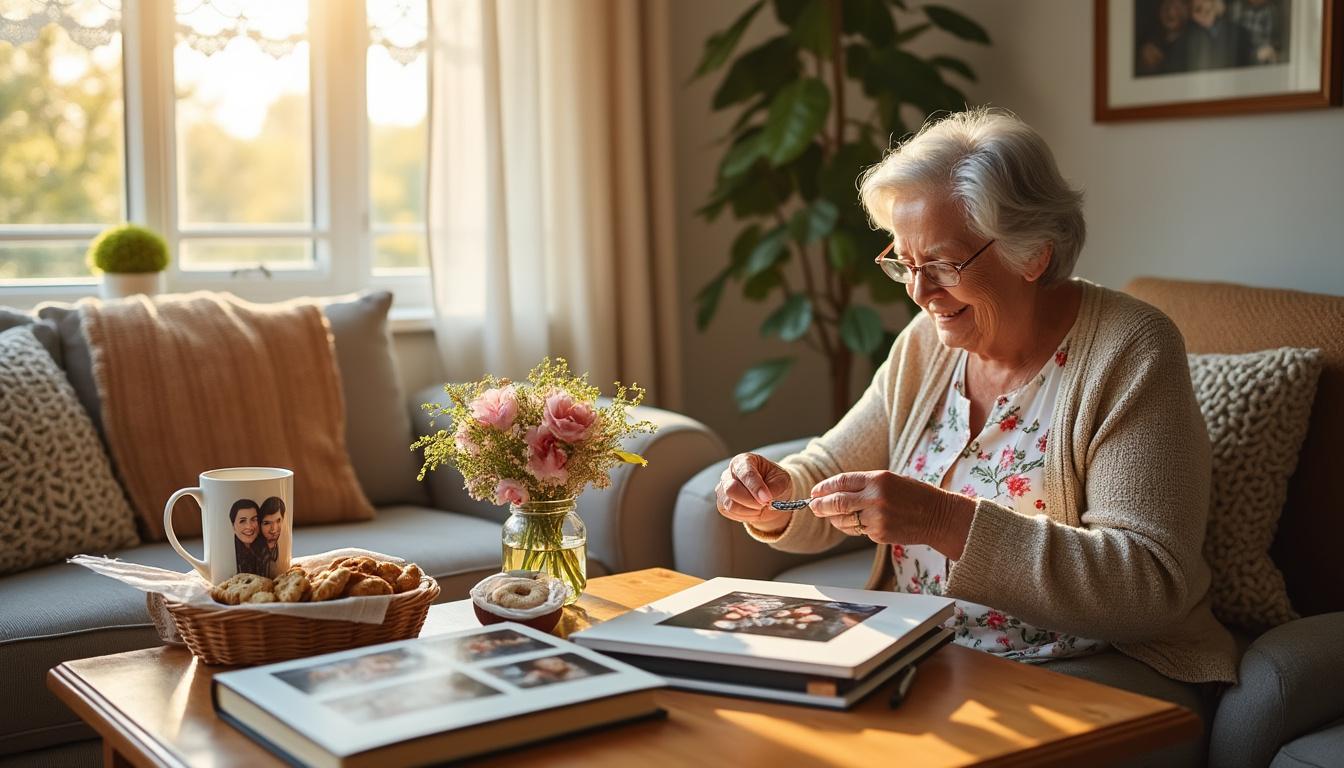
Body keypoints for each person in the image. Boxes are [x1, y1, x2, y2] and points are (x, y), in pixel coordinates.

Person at [715, 109, 1237, 695]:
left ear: (1032, 254)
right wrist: (776, 494)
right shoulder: (926, 345)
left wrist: (942, 521)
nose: (919, 292)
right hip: (922, 650)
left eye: (942, 264)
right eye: (905, 263)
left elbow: (1146, 585)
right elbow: (829, 470)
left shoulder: (1131, 348)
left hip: (1086, 664)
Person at [1187, 0, 1254, 70]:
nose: (1203, 13)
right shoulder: (1188, 37)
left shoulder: (1240, 33)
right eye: (1197, 9)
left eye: (1207, 1)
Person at [1137, 0, 1192, 76]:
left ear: (1186, 11)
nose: (1171, 13)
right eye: (1166, 8)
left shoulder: (1191, 43)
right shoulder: (1152, 41)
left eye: (1177, 8)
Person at [229, 499, 263, 576]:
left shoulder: (265, 549)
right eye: (242, 521)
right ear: (233, 526)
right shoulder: (228, 553)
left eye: (254, 519)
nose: (249, 526)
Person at [256, 496, 286, 578]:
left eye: (278, 521)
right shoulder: (257, 551)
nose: (273, 529)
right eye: (266, 523)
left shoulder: (277, 546)